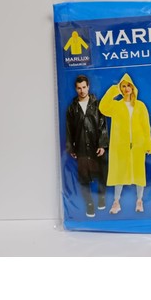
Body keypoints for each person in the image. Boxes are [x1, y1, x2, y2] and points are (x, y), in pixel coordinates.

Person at [99, 73, 151, 214]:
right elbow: (103, 107)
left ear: (133, 87)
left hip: (138, 145)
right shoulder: (116, 106)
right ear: (120, 88)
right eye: (123, 86)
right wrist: (114, 90)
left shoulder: (140, 106)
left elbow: (146, 126)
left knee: (139, 173)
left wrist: (148, 143)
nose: (126, 88)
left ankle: (139, 201)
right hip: (120, 146)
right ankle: (116, 202)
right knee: (119, 173)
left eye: (128, 85)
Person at [66, 75, 108, 217]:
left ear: (88, 87)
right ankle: (89, 204)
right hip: (81, 146)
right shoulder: (72, 108)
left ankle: (101, 198)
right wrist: (71, 147)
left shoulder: (97, 104)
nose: (82, 90)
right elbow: (69, 129)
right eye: (79, 88)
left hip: (96, 145)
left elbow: (103, 124)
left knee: (102, 173)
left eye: (84, 87)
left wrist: (102, 144)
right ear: (75, 89)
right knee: (84, 177)